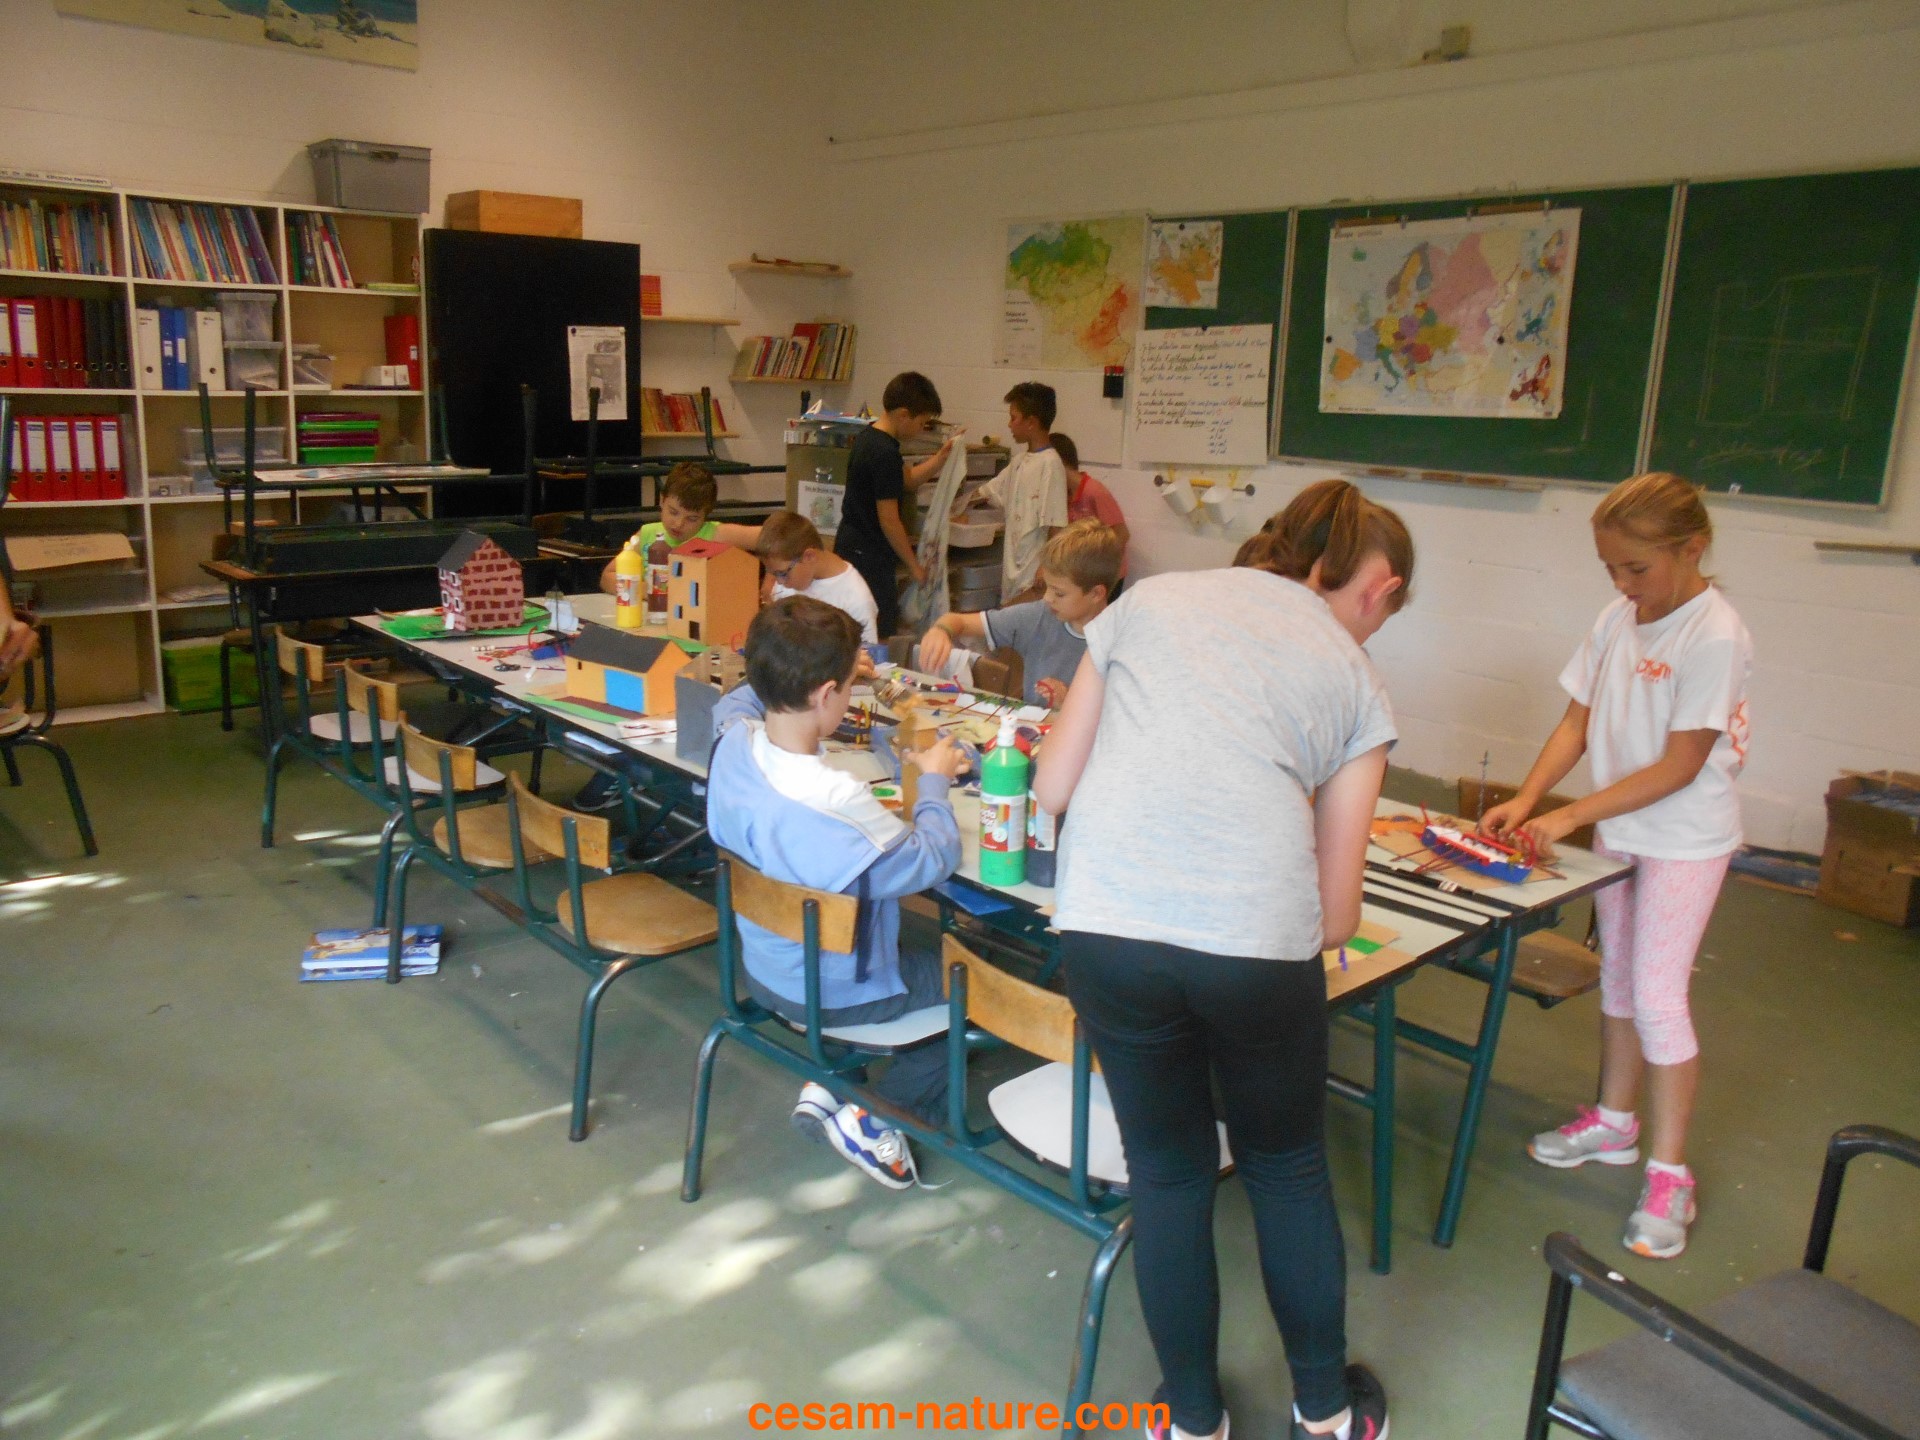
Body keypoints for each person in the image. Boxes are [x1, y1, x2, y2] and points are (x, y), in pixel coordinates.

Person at [1033, 479, 1407, 1440]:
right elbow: (1335, 917)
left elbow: (1054, 786)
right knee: (1285, 1166)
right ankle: (1325, 1413)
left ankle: (1192, 1419)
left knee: (1168, 1173)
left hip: (1108, 924)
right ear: (1373, 589)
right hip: (1253, 948)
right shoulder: (1356, 679)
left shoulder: (1147, 603)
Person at [1482, 471, 1752, 1262]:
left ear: (1692, 548)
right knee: (1620, 985)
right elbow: (1578, 720)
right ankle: (1614, 1123)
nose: (1623, 584)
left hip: (1684, 839)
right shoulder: (1616, 618)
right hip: (1622, 828)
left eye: (1636, 567)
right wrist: (1530, 797)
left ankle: (1670, 1174)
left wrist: (1571, 816)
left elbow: (1680, 765)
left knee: (1660, 999)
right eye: (1610, 568)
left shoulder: (1715, 635)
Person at [705, 597, 967, 1188]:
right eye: (848, 685)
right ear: (827, 694)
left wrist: (807, 669)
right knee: (974, 985)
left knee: (906, 952)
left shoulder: (732, 744)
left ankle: (833, 1084)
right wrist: (933, 781)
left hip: (765, 969)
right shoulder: (835, 800)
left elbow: (736, 701)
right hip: (830, 991)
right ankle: (878, 1118)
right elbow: (933, 859)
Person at [915, 519, 1120, 708]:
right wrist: (941, 630)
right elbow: (958, 621)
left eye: (1059, 593)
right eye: (1047, 587)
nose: (1047, 598)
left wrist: (1069, 702)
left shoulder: (1120, 642)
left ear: (1096, 594)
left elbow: (1119, 719)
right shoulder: (1039, 616)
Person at [835, 372, 956, 641]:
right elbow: (889, 519)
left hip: (854, 544)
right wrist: (914, 566)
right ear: (904, 415)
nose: (921, 430)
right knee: (876, 628)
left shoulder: (871, 438)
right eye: (922, 423)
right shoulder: (884, 453)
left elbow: (907, 481)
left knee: (860, 626)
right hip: (868, 553)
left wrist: (941, 458)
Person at [954, 382, 1068, 605]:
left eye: (1013, 418)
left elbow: (1057, 527)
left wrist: (1047, 568)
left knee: (1016, 619)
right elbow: (987, 492)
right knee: (1007, 616)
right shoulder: (1018, 462)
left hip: (1033, 575)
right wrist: (954, 505)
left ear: (1031, 422)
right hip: (1012, 570)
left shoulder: (1051, 465)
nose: (1009, 424)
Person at [596, 461, 761, 601]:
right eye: (673, 512)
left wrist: (771, 576)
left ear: (706, 515)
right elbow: (607, 577)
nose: (679, 524)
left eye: (692, 519)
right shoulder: (646, 534)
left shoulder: (716, 534)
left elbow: (771, 537)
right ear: (662, 501)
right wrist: (645, 590)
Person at [756, 510, 879, 645]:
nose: (779, 582)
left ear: (809, 556)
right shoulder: (789, 578)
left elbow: (866, 656)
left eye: (783, 573)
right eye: (773, 573)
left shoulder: (856, 600)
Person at [1048, 433, 1129, 594]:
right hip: (1081, 574)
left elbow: (1122, 534)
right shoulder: (1060, 494)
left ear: (1058, 463)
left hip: (1103, 577)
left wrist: (1099, 570)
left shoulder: (1094, 491)